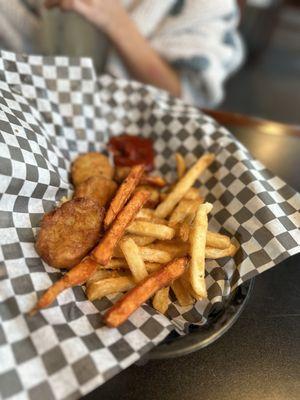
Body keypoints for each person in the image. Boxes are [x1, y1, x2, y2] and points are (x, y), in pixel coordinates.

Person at [0, 0, 244, 107]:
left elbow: (187, 96)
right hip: (31, 107)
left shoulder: (207, 6)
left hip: (139, 133)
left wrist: (115, 21)